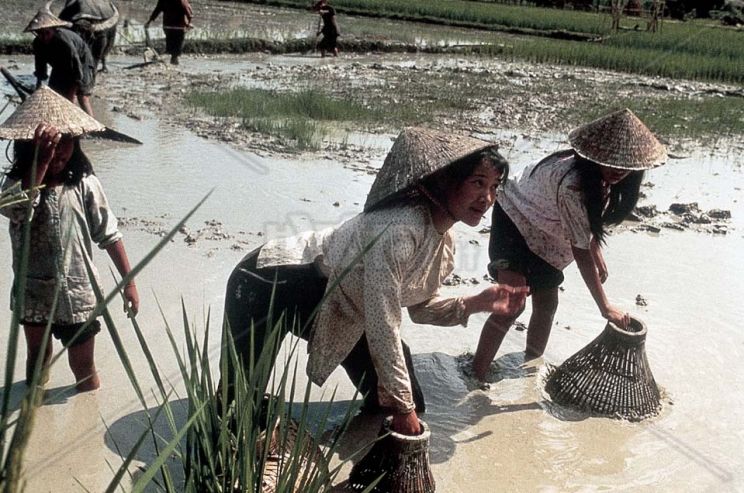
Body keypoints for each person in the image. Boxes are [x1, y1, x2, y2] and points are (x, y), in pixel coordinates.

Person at [221, 127, 529, 435]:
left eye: (494, 186)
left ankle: (352, 446)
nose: (487, 198)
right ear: (446, 181)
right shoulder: (397, 231)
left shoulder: (444, 239)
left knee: (405, 402)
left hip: (339, 300)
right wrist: (402, 407)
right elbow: (383, 322)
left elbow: (420, 309)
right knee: (236, 405)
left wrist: (476, 303)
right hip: (269, 282)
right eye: (477, 183)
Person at [471, 108, 667, 381]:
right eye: (611, 162)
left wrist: (597, 250)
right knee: (513, 303)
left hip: (548, 228)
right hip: (515, 214)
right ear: (594, 156)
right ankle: (476, 373)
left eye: (626, 166)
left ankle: (530, 369)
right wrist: (605, 307)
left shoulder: (605, 182)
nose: (619, 171)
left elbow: (588, 221)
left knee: (547, 302)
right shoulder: (573, 184)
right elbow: (579, 249)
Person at [0, 87, 139, 391]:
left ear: (76, 143)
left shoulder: (84, 184)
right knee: (37, 359)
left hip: (78, 292)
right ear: (27, 146)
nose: (59, 151)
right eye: (49, 144)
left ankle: (88, 406)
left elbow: (109, 234)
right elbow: (18, 211)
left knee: (84, 368)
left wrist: (129, 283)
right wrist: (40, 163)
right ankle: (34, 411)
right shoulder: (13, 186)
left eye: (66, 142)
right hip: (33, 291)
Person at [25, 4, 97, 117]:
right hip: (59, 66)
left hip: (82, 64)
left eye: (47, 33)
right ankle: (59, 119)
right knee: (54, 94)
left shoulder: (64, 41)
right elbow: (40, 67)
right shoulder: (38, 44)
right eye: (40, 33)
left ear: (54, 30)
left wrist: (72, 92)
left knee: (81, 96)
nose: (44, 37)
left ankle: (91, 123)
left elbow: (76, 68)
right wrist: (38, 89)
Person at [58, 0, 120, 73]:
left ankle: (96, 67)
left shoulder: (99, 33)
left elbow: (102, 41)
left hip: (98, 17)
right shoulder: (67, 13)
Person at [145, 0, 194, 65]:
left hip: (169, 26)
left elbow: (157, 11)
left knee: (171, 43)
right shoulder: (181, 1)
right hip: (178, 27)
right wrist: (189, 23)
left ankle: (170, 60)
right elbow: (189, 13)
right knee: (177, 45)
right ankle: (173, 60)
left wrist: (149, 21)